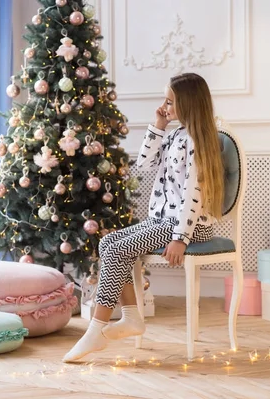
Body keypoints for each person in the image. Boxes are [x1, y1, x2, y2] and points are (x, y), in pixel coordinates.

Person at [63, 72, 225, 362]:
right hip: (162, 220)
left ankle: (96, 329)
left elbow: (194, 194)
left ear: (188, 104)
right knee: (109, 241)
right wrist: (158, 126)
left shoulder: (198, 142)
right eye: (166, 100)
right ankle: (130, 316)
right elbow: (145, 163)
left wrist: (180, 238)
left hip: (186, 227)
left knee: (119, 248)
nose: (165, 106)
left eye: (171, 102)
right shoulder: (175, 134)